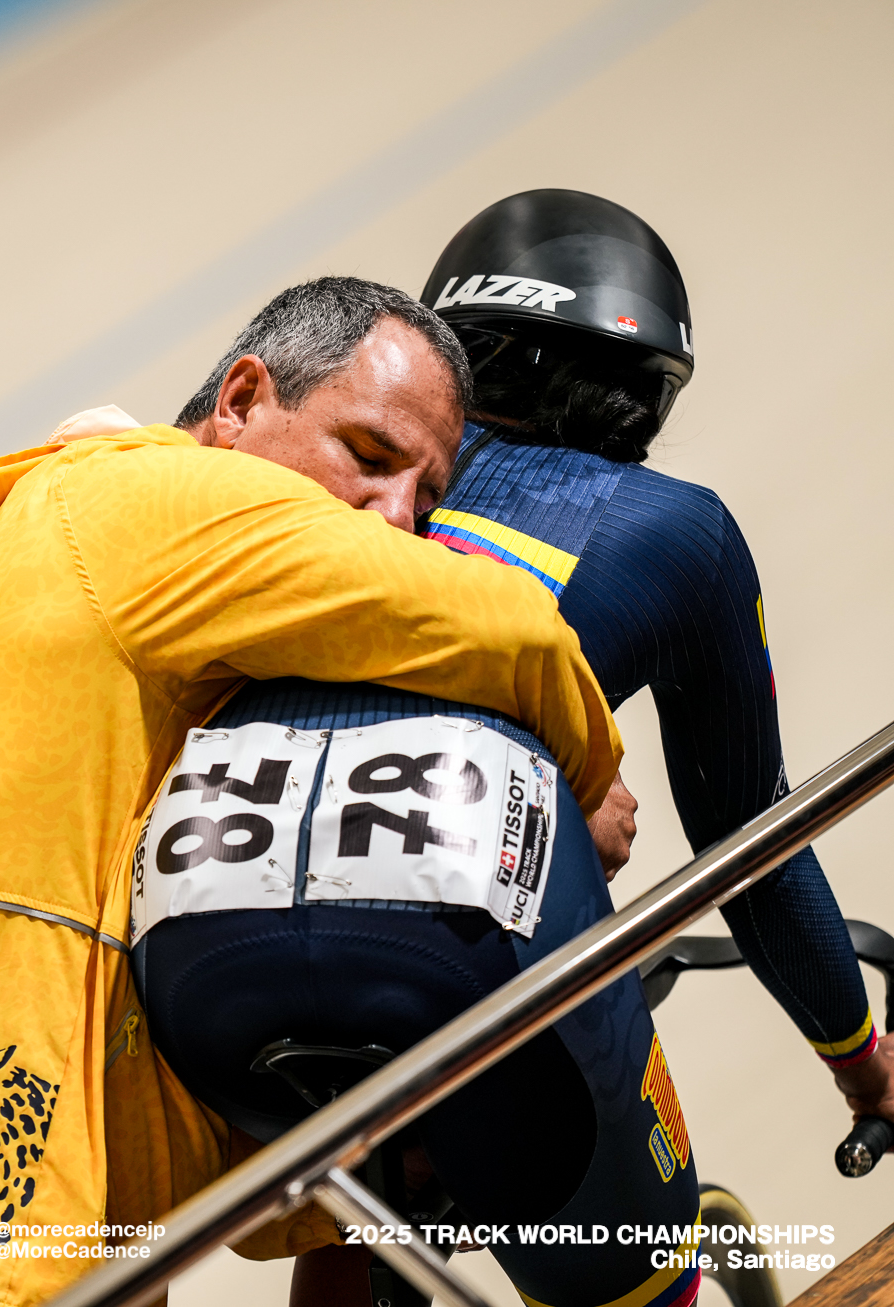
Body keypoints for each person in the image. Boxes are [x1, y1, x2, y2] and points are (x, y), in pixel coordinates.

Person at [0, 277, 624, 1306]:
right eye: (370, 457)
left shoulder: (81, 558)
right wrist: (586, 780)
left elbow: (102, 1042)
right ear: (240, 401)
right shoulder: (150, 501)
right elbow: (502, 626)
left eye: (424, 502)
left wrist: (345, 1163)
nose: (393, 518)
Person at [123, 191, 890, 1307]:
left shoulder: (336, 478)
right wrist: (860, 1061)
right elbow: (753, 846)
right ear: (648, 398)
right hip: (465, 940)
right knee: (619, 1278)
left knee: (348, 1187)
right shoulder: (679, 531)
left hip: (198, 942)